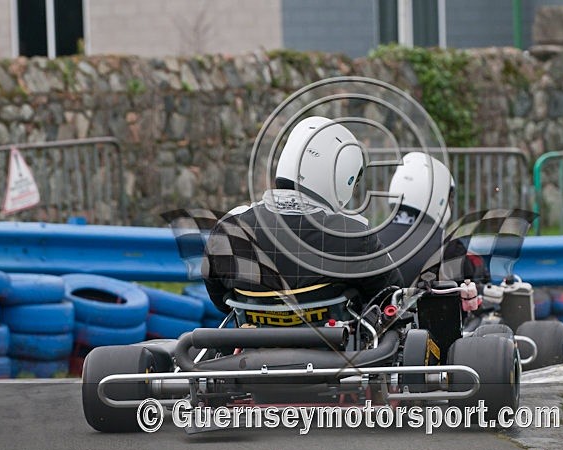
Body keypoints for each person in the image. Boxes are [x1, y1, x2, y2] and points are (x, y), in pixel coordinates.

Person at [203, 116, 402, 315]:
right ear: (343, 175)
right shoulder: (354, 236)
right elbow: (393, 299)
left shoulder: (228, 229)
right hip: (332, 335)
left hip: (253, 334)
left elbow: (222, 302)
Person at [378, 151, 488, 286]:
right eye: (450, 198)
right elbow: (474, 284)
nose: (451, 204)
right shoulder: (446, 245)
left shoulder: (371, 239)